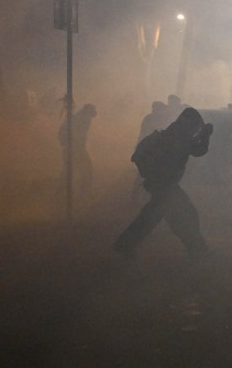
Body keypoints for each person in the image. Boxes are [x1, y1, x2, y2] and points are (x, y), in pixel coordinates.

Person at [115, 107, 214, 258]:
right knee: (185, 215)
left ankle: (124, 245)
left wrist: (203, 135)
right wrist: (205, 136)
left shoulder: (175, 133)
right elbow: (197, 150)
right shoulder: (178, 136)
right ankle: (197, 250)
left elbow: (192, 147)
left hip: (160, 183)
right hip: (164, 185)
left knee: (153, 217)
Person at [59, 103, 97, 199]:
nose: (92, 117)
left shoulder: (83, 119)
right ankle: (83, 193)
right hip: (73, 149)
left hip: (76, 148)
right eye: (91, 114)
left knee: (71, 171)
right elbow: (64, 132)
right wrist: (69, 144)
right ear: (87, 112)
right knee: (85, 169)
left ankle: (61, 193)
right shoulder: (77, 120)